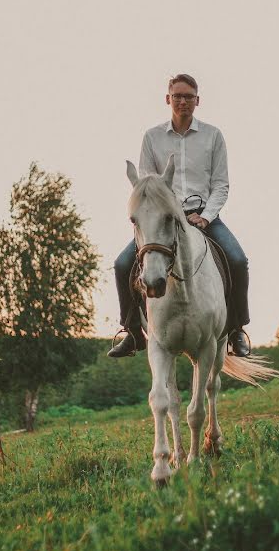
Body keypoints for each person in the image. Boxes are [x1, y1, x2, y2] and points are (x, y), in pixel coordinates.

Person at [108, 73, 252, 357]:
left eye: (188, 96)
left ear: (197, 101)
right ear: (167, 99)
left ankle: (236, 331)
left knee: (238, 260)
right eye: (177, 96)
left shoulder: (213, 136)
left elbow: (221, 185)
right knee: (123, 264)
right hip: (162, 221)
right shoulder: (152, 137)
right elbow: (147, 187)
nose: (183, 101)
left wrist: (206, 217)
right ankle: (132, 332)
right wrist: (159, 215)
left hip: (203, 217)